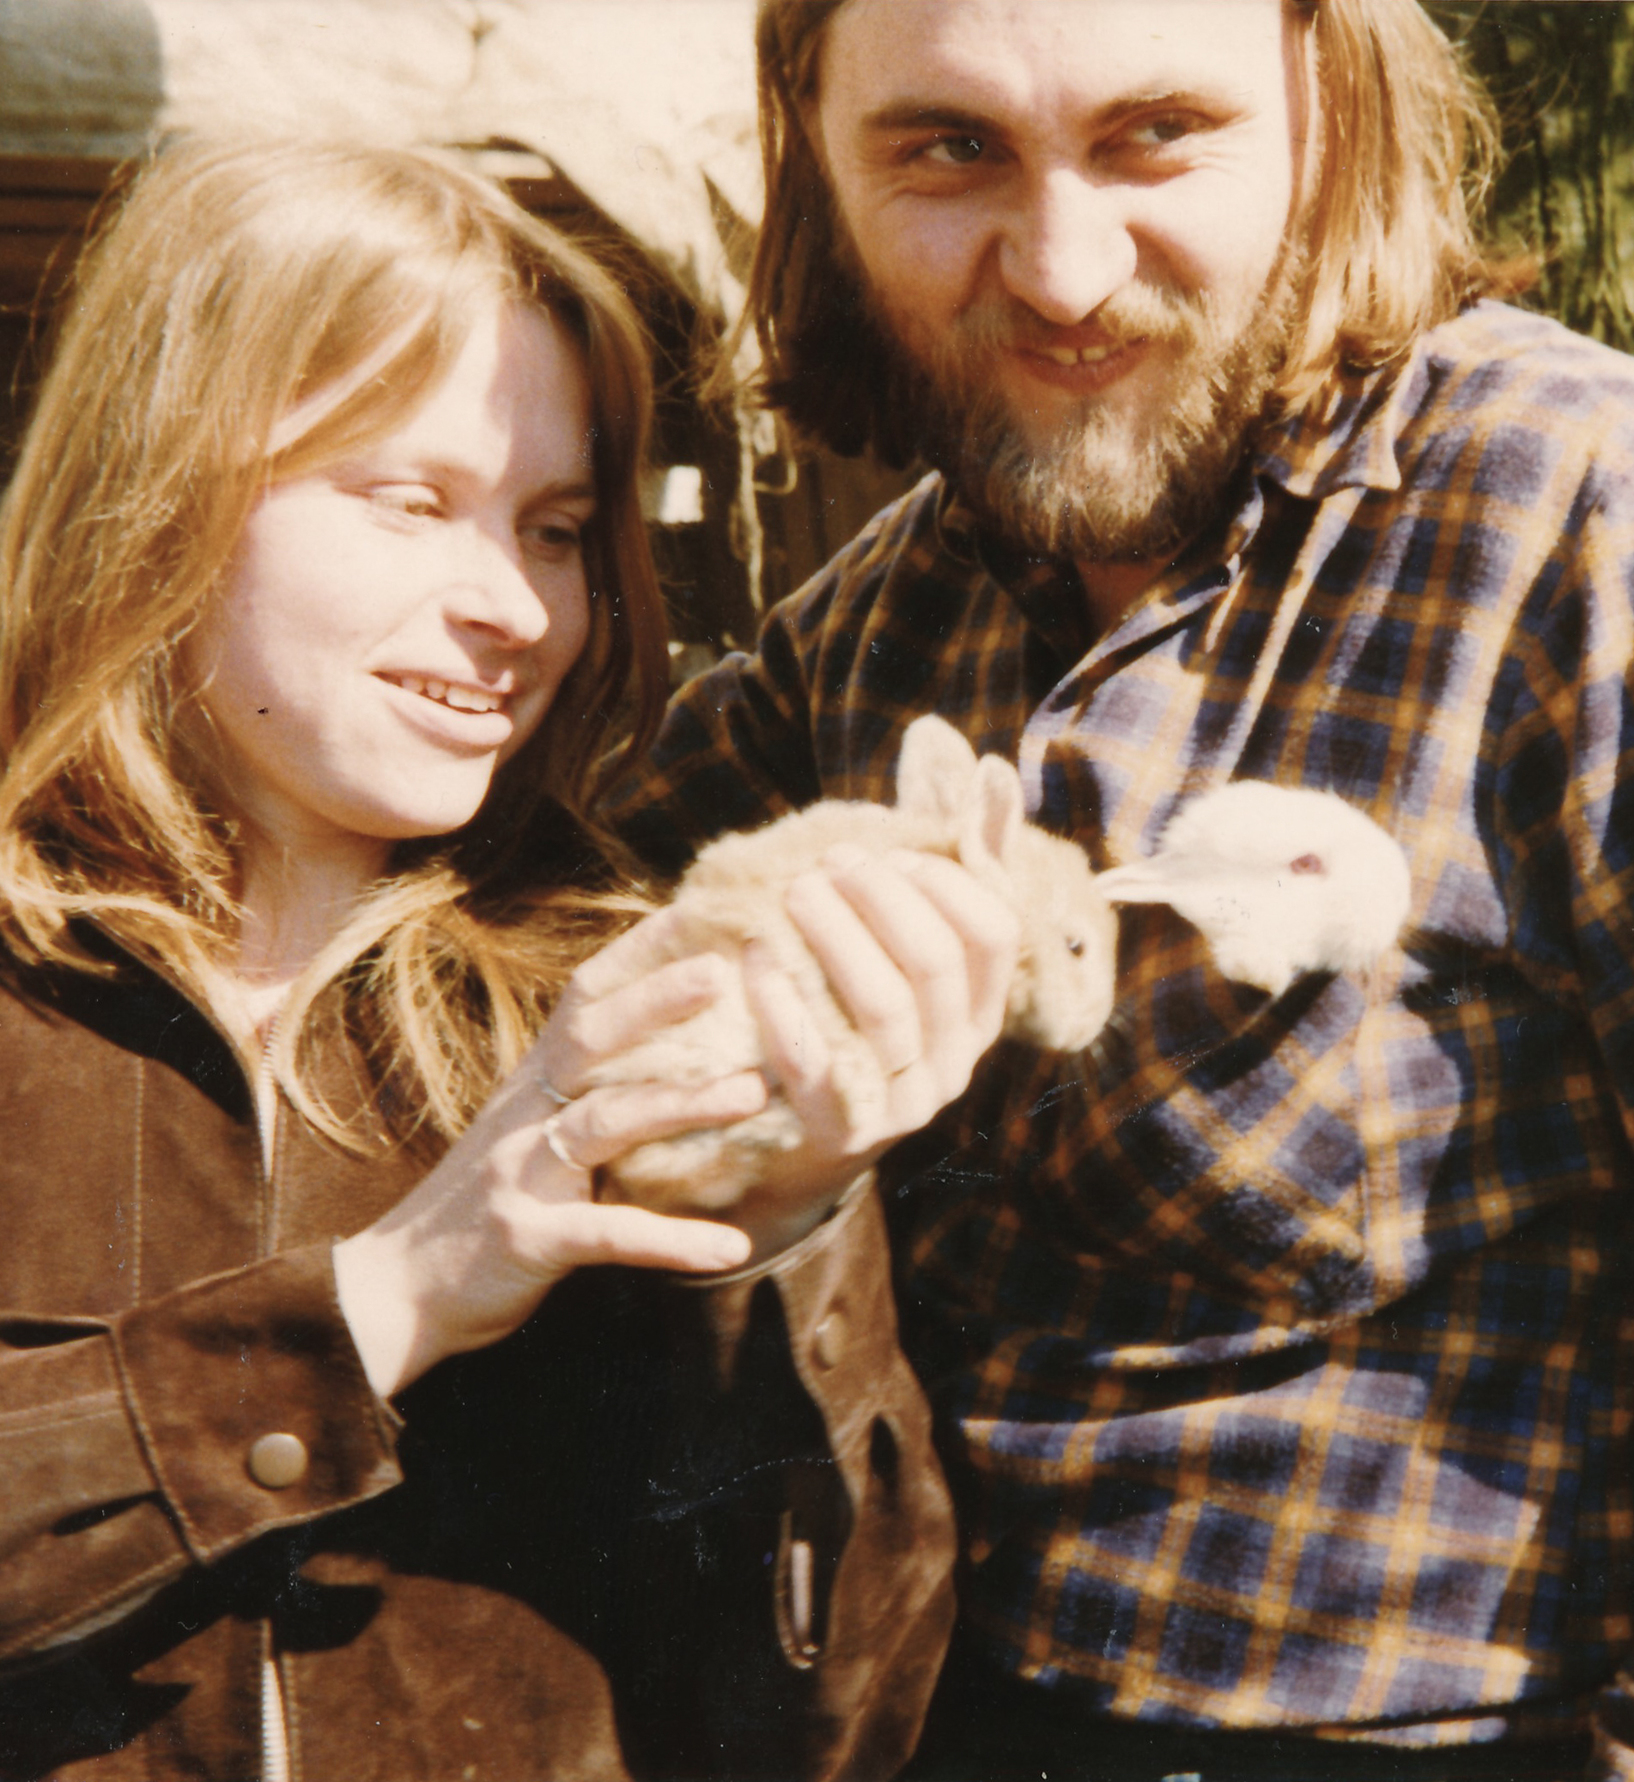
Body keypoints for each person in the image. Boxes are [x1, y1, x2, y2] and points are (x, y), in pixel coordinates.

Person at [611, 0, 1634, 1776]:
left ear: (1335, 99)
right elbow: (514, 993)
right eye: (949, 148)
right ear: (816, 149)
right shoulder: (873, 622)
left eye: (1159, 133)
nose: (1063, 270)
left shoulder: (1614, 525)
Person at [0, 137, 1012, 1780]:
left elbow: (825, 1733)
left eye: (555, 529)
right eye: (412, 503)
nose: (520, 609)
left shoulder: (616, 1003)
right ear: (161, 480)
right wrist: (383, 1300)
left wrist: (783, 1243)